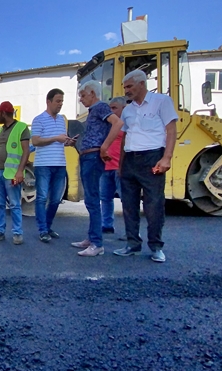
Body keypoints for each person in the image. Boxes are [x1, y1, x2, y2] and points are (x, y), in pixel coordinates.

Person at [113, 69, 178, 263]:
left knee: (154, 205)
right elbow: (124, 136)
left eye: (129, 86)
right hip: (130, 161)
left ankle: (156, 247)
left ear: (142, 84)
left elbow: (171, 130)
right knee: (129, 205)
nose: (126, 91)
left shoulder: (162, 102)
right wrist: (121, 164)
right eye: (125, 87)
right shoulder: (128, 109)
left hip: (152, 158)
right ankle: (132, 244)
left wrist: (166, 158)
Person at [70, 81, 123, 256]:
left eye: (83, 95)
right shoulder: (95, 111)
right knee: (91, 200)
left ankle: (97, 243)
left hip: (93, 157)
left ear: (92, 93)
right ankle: (92, 238)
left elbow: (117, 123)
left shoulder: (100, 107)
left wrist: (104, 147)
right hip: (88, 156)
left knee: (92, 200)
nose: (81, 99)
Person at [31, 89, 75, 243]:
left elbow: (60, 142)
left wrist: (68, 142)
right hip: (43, 165)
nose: (60, 104)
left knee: (56, 199)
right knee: (42, 198)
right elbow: (35, 141)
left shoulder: (62, 120)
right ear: (48, 101)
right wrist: (56, 138)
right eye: (57, 101)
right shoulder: (38, 120)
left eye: (62, 101)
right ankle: (42, 230)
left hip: (60, 164)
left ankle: (48, 227)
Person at [0, 101, 31, 245]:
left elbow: (26, 151)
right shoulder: (1, 131)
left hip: (12, 174)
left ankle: (17, 233)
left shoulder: (22, 128)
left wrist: (20, 172)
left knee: (14, 204)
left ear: (4, 113)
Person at [100, 97, 127, 236]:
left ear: (123, 108)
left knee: (126, 200)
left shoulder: (127, 125)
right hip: (106, 167)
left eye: (115, 107)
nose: (111, 110)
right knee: (105, 198)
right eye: (110, 107)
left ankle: (131, 231)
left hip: (119, 167)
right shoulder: (107, 125)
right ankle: (107, 225)